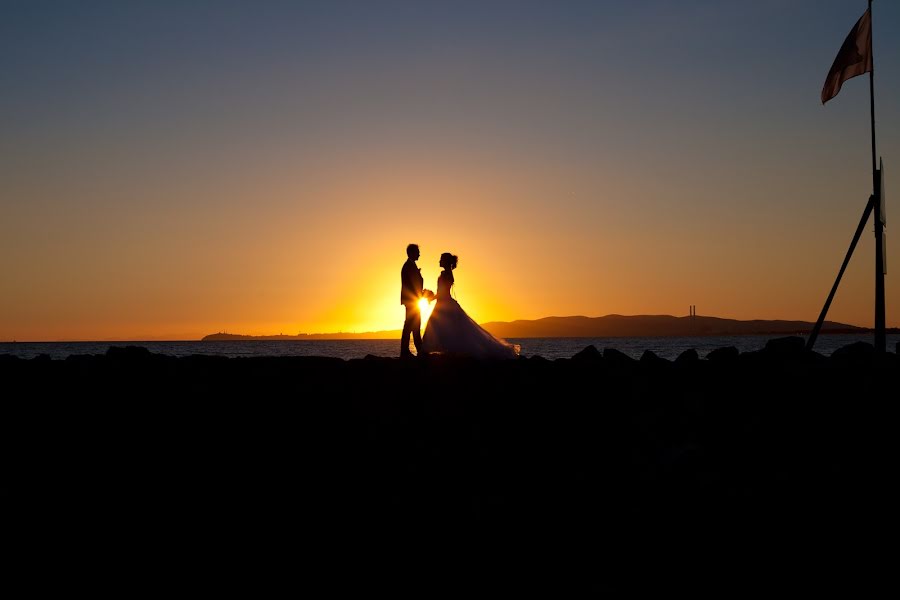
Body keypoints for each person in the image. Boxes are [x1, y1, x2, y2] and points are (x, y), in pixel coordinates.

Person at [421, 252, 519, 359]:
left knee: (443, 328)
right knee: (442, 327)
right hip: (443, 304)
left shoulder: (447, 274)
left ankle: (445, 351)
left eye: (441, 259)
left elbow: (442, 293)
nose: (439, 261)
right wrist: (431, 296)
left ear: (445, 261)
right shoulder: (445, 273)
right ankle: (445, 351)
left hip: (445, 305)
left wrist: (430, 296)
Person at [399, 243, 432, 358]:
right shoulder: (409, 266)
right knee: (410, 324)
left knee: (414, 325)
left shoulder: (410, 265)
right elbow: (413, 286)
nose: (419, 254)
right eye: (417, 252)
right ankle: (406, 351)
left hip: (413, 300)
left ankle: (418, 350)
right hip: (411, 300)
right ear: (412, 253)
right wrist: (423, 294)